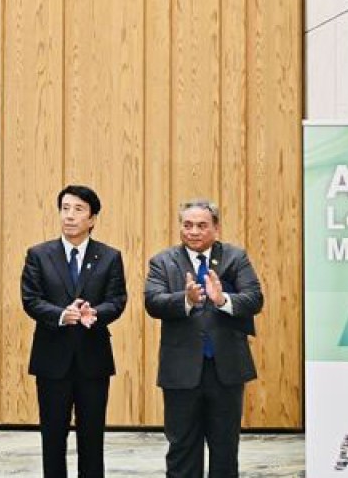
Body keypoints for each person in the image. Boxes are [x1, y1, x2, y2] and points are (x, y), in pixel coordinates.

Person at [144, 199, 264, 478]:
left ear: (216, 228)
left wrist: (222, 300)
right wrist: (185, 300)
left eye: (201, 225)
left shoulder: (235, 257)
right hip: (181, 371)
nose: (194, 232)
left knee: (225, 449)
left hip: (226, 369)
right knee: (182, 448)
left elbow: (254, 299)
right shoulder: (163, 261)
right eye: (187, 225)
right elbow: (153, 302)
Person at [20, 184, 127, 478]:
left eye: (78, 210)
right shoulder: (39, 254)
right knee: (53, 437)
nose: (69, 216)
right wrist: (60, 315)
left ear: (92, 219)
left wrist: (96, 313)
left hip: (93, 360)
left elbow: (117, 300)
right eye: (65, 208)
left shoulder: (109, 256)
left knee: (92, 438)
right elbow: (31, 299)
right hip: (51, 359)